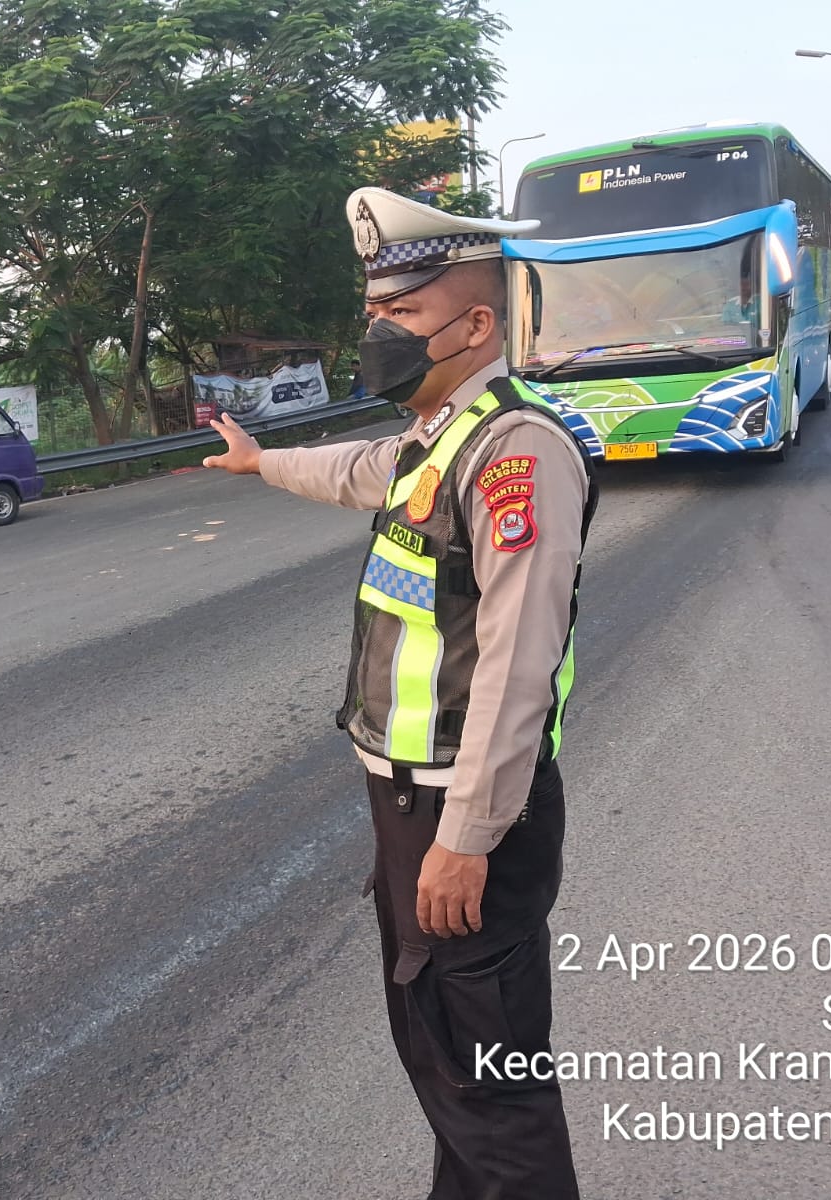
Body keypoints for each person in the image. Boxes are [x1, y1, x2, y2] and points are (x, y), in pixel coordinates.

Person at [203, 187, 598, 1199]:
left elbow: (516, 665)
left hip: (464, 803)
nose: (378, 332)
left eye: (404, 313)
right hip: (407, 798)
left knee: (488, 1082)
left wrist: (466, 837)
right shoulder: (438, 437)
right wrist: (261, 462)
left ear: (475, 325)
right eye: (374, 311)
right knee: (438, 1050)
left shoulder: (515, 451)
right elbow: (357, 470)